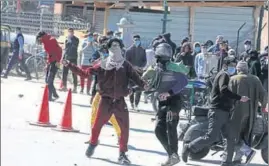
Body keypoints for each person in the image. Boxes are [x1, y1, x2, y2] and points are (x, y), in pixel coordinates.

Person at [62, 38, 146, 165]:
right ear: (108, 48)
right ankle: (93, 143)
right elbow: (85, 74)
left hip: (120, 102)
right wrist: (69, 65)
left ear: (121, 48)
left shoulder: (125, 65)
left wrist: (145, 86)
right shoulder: (102, 64)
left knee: (124, 129)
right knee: (96, 126)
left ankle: (122, 154)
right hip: (105, 101)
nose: (115, 48)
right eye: (112, 46)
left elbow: (138, 80)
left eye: (118, 45)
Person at [181, 56, 250, 166]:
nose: (233, 68)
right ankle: (189, 147)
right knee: (211, 136)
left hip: (225, 111)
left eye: (234, 66)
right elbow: (223, 90)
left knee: (229, 137)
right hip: (218, 110)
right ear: (225, 65)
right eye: (231, 65)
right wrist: (239, 97)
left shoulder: (225, 75)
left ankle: (227, 162)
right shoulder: (224, 75)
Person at [142, 43, 189, 166]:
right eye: (160, 58)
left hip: (174, 101)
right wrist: (144, 87)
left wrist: (169, 93)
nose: (162, 61)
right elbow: (151, 84)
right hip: (161, 102)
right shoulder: (155, 69)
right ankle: (172, 155)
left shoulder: (174, 67)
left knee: (171, 126)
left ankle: (173, 154)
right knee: (158, 129)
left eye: (164, 58)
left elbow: (184, 82)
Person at [229, 61, 267, 165]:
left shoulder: (233, 79)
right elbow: (263, 96)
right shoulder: (255, 79)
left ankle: (247, 152)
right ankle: (237, 158)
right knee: (246, 135)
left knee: (234, 135)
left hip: (236, 113)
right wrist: (264, 108)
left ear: (238, 69)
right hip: (251, 113)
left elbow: (227, 97)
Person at [36, 31, 62, 101]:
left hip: (55, 62)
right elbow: (50, 54)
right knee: (47, 80)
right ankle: (55, 95)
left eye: (39, 39)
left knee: (49, 81)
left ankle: (49, 97)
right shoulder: (47, 41)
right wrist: (48, 64)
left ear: (42, 37)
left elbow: (56, 52)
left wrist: (57, 62)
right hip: (52, 62)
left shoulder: (51, 40)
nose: (38, 41)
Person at [125, 35, 147, 111]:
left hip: (140, 72)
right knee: (131, 88)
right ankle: (131, 103)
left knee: (139, 88)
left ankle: (136, 104)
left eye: (138, 40)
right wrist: (133, 66)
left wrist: (141, 67)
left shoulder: (143, 50)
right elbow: (126, 61)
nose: (137, 41)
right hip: (131, 72)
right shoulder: (128, 50)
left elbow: (144, 61)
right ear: (133, 41)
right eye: (135, 40)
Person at [60, 28, 79, 93]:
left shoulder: (76, 39)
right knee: (64, 73)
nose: (70, 33)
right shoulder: (66, 39)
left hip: (73, 58)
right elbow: (65, 49)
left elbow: (75, 46)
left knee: (74, 73)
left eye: (71, 32)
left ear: (73, 32)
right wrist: (62, 58)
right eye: (69, 32)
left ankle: (75, 88)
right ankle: (64, 86)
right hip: (66, 57)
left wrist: (70, 39)